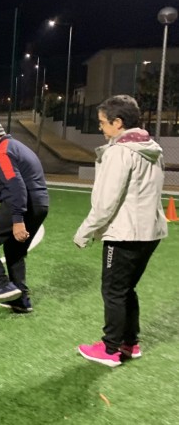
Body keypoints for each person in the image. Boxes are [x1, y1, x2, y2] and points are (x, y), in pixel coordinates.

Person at [74, 95, 168, 367]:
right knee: (127, 289)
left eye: (103, 123)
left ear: (118, 122)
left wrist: (85, 231)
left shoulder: (119, 153)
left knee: (113, 291)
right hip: (150, 233)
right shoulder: (152, 148)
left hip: (125, 234)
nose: (101, 128)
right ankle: (129, 342)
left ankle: (110, 348)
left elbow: (106, 202)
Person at [0, 118, 49, 311]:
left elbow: (16, 186)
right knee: (14, 251)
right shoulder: (16, 146)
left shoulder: (4, 151)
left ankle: (2, 284)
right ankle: (21, 300)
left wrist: (17, 220)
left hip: (23, 203)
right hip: (40, 205)